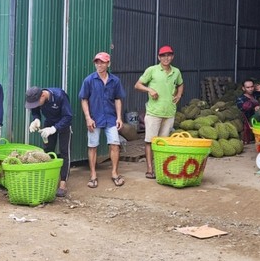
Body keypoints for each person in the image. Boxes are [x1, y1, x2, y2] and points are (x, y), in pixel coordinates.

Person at [134, 45, 184, 179]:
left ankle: (160, 168)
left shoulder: (176, 72)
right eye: (163, 55)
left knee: (163, 142)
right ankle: (150, 170)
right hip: (153, 112)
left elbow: (180, 84)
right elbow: (137, 85)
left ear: (172, 56)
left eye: (168, 55)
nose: (166, 58)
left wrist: (179, 95)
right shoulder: (152, 70)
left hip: (169, 113)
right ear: (158, 57)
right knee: (150, 141)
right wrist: (150, 90)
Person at [78, 52, 126, 189]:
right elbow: (84, 99)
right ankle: (93, 175)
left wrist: (119, 117)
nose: (99, 65)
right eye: (97, 62)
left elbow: (118, 99)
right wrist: (88, 118)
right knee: (92, 146)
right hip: (94, 118)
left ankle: (115, 173)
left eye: (102, 62)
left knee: (115, 145)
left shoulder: (115, 81)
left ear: (108, 64)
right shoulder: (89, 80)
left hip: (111, 118)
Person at [25, 86, 73, 197]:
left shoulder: (60, 96)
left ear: (43, 95)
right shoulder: (36, 97)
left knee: (64, 152)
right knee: (47, 150)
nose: (36, 105)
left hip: (63, 124)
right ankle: (47, 178)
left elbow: (68, 116)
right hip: (49, 123)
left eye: (37, 103)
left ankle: (63, 183)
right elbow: (35, 110)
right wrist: (36, 119)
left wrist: (54, 129)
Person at [235, 79, 260, 144]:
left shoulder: (255, 94)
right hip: (250, 120)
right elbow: (244, 107)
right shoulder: (240, 98)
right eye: (248, 87)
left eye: (252, 87)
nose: (250, 89)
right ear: (243, 88)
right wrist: (254, 106)